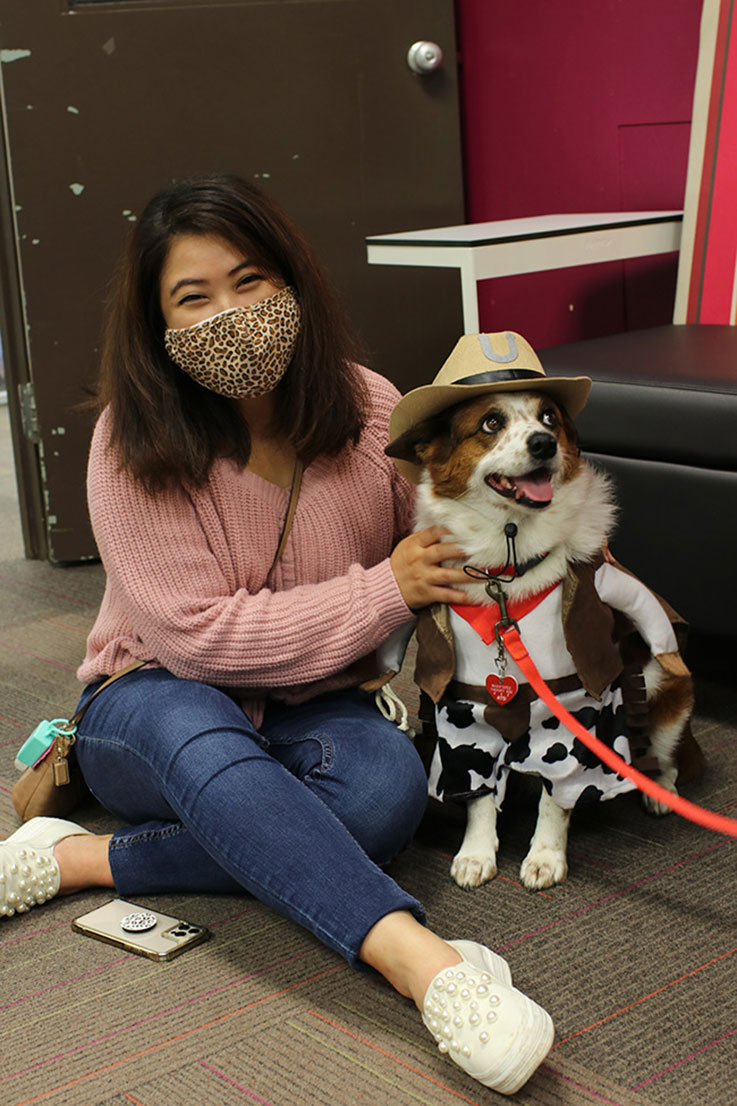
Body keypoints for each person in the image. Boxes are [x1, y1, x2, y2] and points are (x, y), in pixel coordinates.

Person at [0, 175, 553, 1094]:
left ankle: (85, 859)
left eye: (249, 280)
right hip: (149, 705)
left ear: (293, 280)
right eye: (193, 297)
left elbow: (450, 532)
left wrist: (548, 546)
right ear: (156, 324)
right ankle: (422, 963)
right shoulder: (126, 443)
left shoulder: (370, 407)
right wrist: (381, 590)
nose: (230, 313)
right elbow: (194, 639)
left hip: (320, 702)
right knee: (196, 729)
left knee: (383, 796)